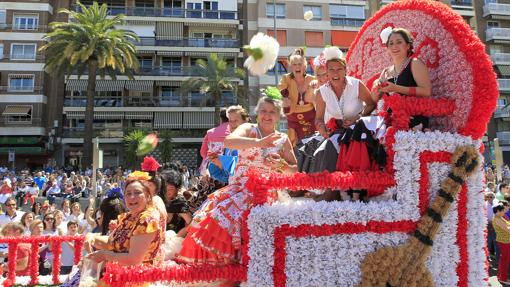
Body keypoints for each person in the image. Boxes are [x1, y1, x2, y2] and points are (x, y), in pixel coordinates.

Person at [176, 94, 297, 269]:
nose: (267, 115)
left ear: (279, 115)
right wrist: (259, 142)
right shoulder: (249, 128)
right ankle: (230, 273)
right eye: (263, 111)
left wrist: (282, 164)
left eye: (272, 112)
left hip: (267, 194)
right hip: (239, 189)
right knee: (217, 219)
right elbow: (229, 141)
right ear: (257, 113)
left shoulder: (283, 139)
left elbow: (294, 170)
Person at [313, 46, 379, 201]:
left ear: (345, 70)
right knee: (325, 148)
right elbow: (318, 119)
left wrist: (358, 117)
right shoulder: (321, 92)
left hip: (358, 130)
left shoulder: (356, 84)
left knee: (350, 144)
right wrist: (322, 129)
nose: (335, 73)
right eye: (331, 70)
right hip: (335, 131)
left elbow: (371, 104)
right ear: (327, 73)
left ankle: (354, 190)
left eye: (339, 69)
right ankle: (330, 189)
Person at [86, 171, 163, 267]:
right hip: (118, 274)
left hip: (139, 278)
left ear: (148, 196)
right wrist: (92, 238)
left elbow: (134, 259)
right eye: (128, 193)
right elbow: (111, 243)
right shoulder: (127, 217)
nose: (132, 197)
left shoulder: (147, 220)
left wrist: (105, 255)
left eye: (137, 193)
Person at [372, 27, 432, 131]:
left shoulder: (415, 63)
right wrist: (376, 87)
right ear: (387, 48)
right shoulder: (386, 72)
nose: (394, 46)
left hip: (413, 120)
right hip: (391, 120)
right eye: (391, 43)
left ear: (408, 45)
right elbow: (374, 99)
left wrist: (396, 88)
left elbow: (426, 91)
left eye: (399, 42)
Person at [278, 47, 316, 146]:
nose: (297, 67)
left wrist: (314, 87)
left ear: (304, 67)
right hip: (293, 118)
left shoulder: (312, 79)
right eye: (294, 64)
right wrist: (284, 97)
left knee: (311, 143)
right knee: (293, 144)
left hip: (310, 118)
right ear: (291, 66)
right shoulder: (286, 79)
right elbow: (281, 89)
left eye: (299, 64)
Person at [208, 105, 250, 185]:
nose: (233, 124)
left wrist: (223, 162)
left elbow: (248, 167)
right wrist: (217, 163)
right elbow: (227, 177)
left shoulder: (251, 140)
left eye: (236, 120)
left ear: (245, 121)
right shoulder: (229, 144)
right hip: (233, 186)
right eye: (230, 121)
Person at [160, 169, 191, 237]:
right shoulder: (158, 201)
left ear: (177, 189)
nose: (167, 191)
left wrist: (177, 237)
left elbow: (191, 223)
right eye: (165, 188)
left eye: (171, 189)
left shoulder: (179, 204)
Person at [199, 108, 230, 174]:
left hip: (212, 168)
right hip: (229, 167)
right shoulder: (236, 132)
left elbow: (203, 152)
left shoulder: (210, 132)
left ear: (220, 118)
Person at [493, 203, 510, 285]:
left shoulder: (499, 217)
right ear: (498, 211)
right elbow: (508, 230)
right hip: (504, 242)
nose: (504, 212)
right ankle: (503, 278)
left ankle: (500, 276)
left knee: (503, 259)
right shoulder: (497, 219)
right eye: (502, 210)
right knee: (505, 260)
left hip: (505, 241)